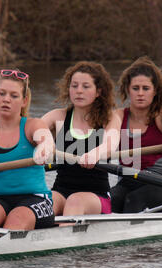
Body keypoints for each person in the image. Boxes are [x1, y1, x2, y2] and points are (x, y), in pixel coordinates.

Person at [0, 69, 55, 230]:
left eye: (14, 96)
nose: (6, 99)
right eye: (2, 94)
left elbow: (46, 140)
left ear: (24, 101)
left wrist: (44, 149)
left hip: (36, 200)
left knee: (17, 219)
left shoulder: (33, 126)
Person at [110, 56, 162, 213]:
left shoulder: (161, 112)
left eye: (145, 88)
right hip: (127, 182)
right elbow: (108, 139)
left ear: (155, 91)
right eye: (135, 88)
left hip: (159, 184)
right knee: (110, 199)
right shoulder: (118, 116)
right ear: (128, 89)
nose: (140, 93)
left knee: (133, 200)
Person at [42, 61, 121, 218]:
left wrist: (96, 153)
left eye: (86, 86)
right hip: (60, 190)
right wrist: (42, 144)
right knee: (42, 202)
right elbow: (30, 132)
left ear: (98, 91)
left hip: (97, 195)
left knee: (75, 201)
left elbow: (110, 144)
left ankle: (64, 239)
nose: (79, 91)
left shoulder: (110, 118)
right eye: (74, 86)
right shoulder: (57, 116)